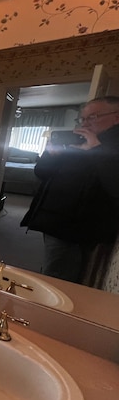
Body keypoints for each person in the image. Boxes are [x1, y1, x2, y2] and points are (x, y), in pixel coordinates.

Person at [20, 96, 119, 284]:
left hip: (74, 228)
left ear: (116, 117)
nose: (85, 123)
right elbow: (41, 172)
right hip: (55, 221)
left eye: (93, 117)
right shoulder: (77, 140)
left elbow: (115, 185)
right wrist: (51, 155)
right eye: (82, 119)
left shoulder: (111, 147)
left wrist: (96, 150)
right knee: (55, 268)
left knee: (58, 278)